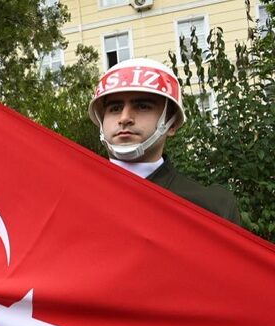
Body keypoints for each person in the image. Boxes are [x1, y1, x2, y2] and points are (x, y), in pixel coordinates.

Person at [87, 58, 240, 223]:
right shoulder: (73, 194)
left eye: (142, 106)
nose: (124, 118)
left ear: (172, 124)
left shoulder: (212, 208)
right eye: (115, 108)